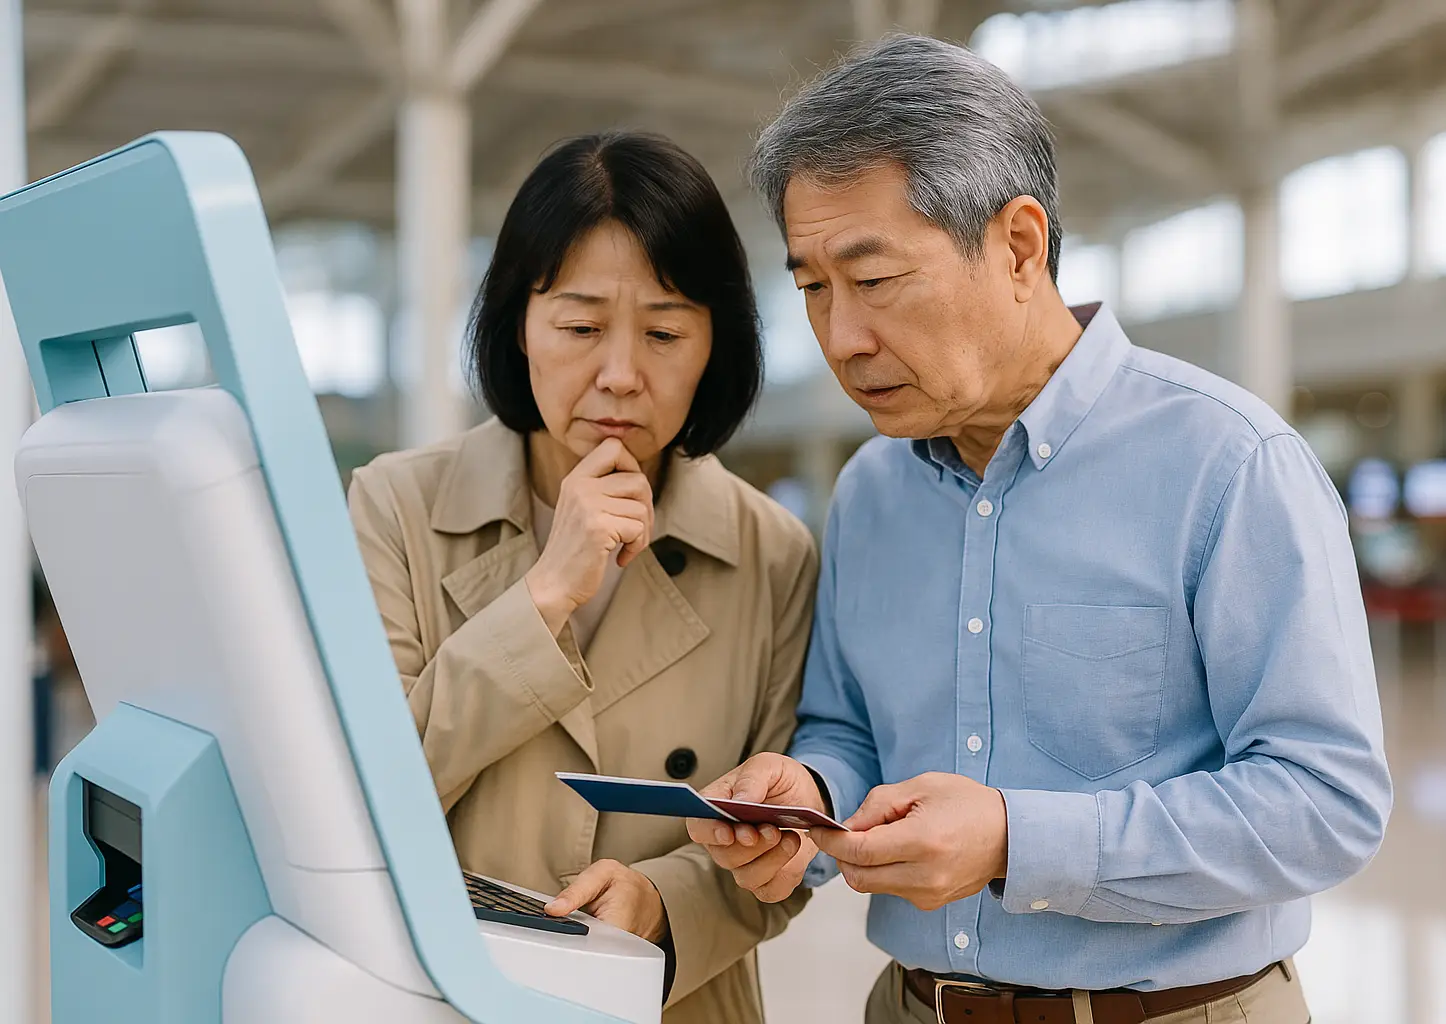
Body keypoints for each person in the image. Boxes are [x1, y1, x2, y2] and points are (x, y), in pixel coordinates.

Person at [688, 35, 1392, 1024]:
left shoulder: (1227, 466)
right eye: (812, 287)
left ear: (1019, 245)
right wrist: (804, 793)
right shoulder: (871, 492)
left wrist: (1018, 838)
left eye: (875, 278)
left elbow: (1325, 801)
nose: (842, 337)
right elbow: (849, 730)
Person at [348, 130, 819, 1024]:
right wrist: (542, 597)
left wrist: (666, 900)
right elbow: (353, 799)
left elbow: (784, 848)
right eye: (579, 326)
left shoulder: (774, 553)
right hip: (444, 998)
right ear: (518, 329)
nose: (620, 375)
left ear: (716, 343)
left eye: (666, 332)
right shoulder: (396, 507)